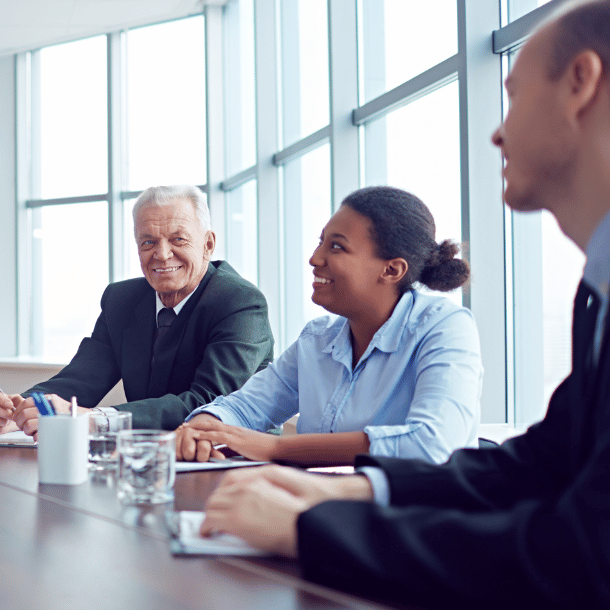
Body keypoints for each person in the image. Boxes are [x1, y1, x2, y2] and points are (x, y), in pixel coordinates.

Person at [195, 2, 610, 608]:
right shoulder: (596, 292)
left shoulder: (450, 325)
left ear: (580, 83)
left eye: (514, 96)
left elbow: (581, 557)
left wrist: (310, 527)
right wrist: (346, 496)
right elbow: (537, 464)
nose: (497, 132)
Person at [176, 186, 483, 465]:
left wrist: (275, 448)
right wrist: (203, 424)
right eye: (321, 242)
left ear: (391, 269)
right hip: (322, 507)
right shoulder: (318, 338)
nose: (314, 258)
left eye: (336, 247)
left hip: (414, 518)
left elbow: (431, 444)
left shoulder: (445, 327)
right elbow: (245, 407)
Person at [2, 185, 273, 437]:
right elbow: (82, 378)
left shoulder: (240, 302)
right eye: (148, 242)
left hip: (234, 461)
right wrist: (18, 411)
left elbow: (207, 403)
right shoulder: (121, 300)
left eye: (178, 239)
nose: (163, 254)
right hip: (147, 457)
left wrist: (95, 419)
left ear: (208, 245)